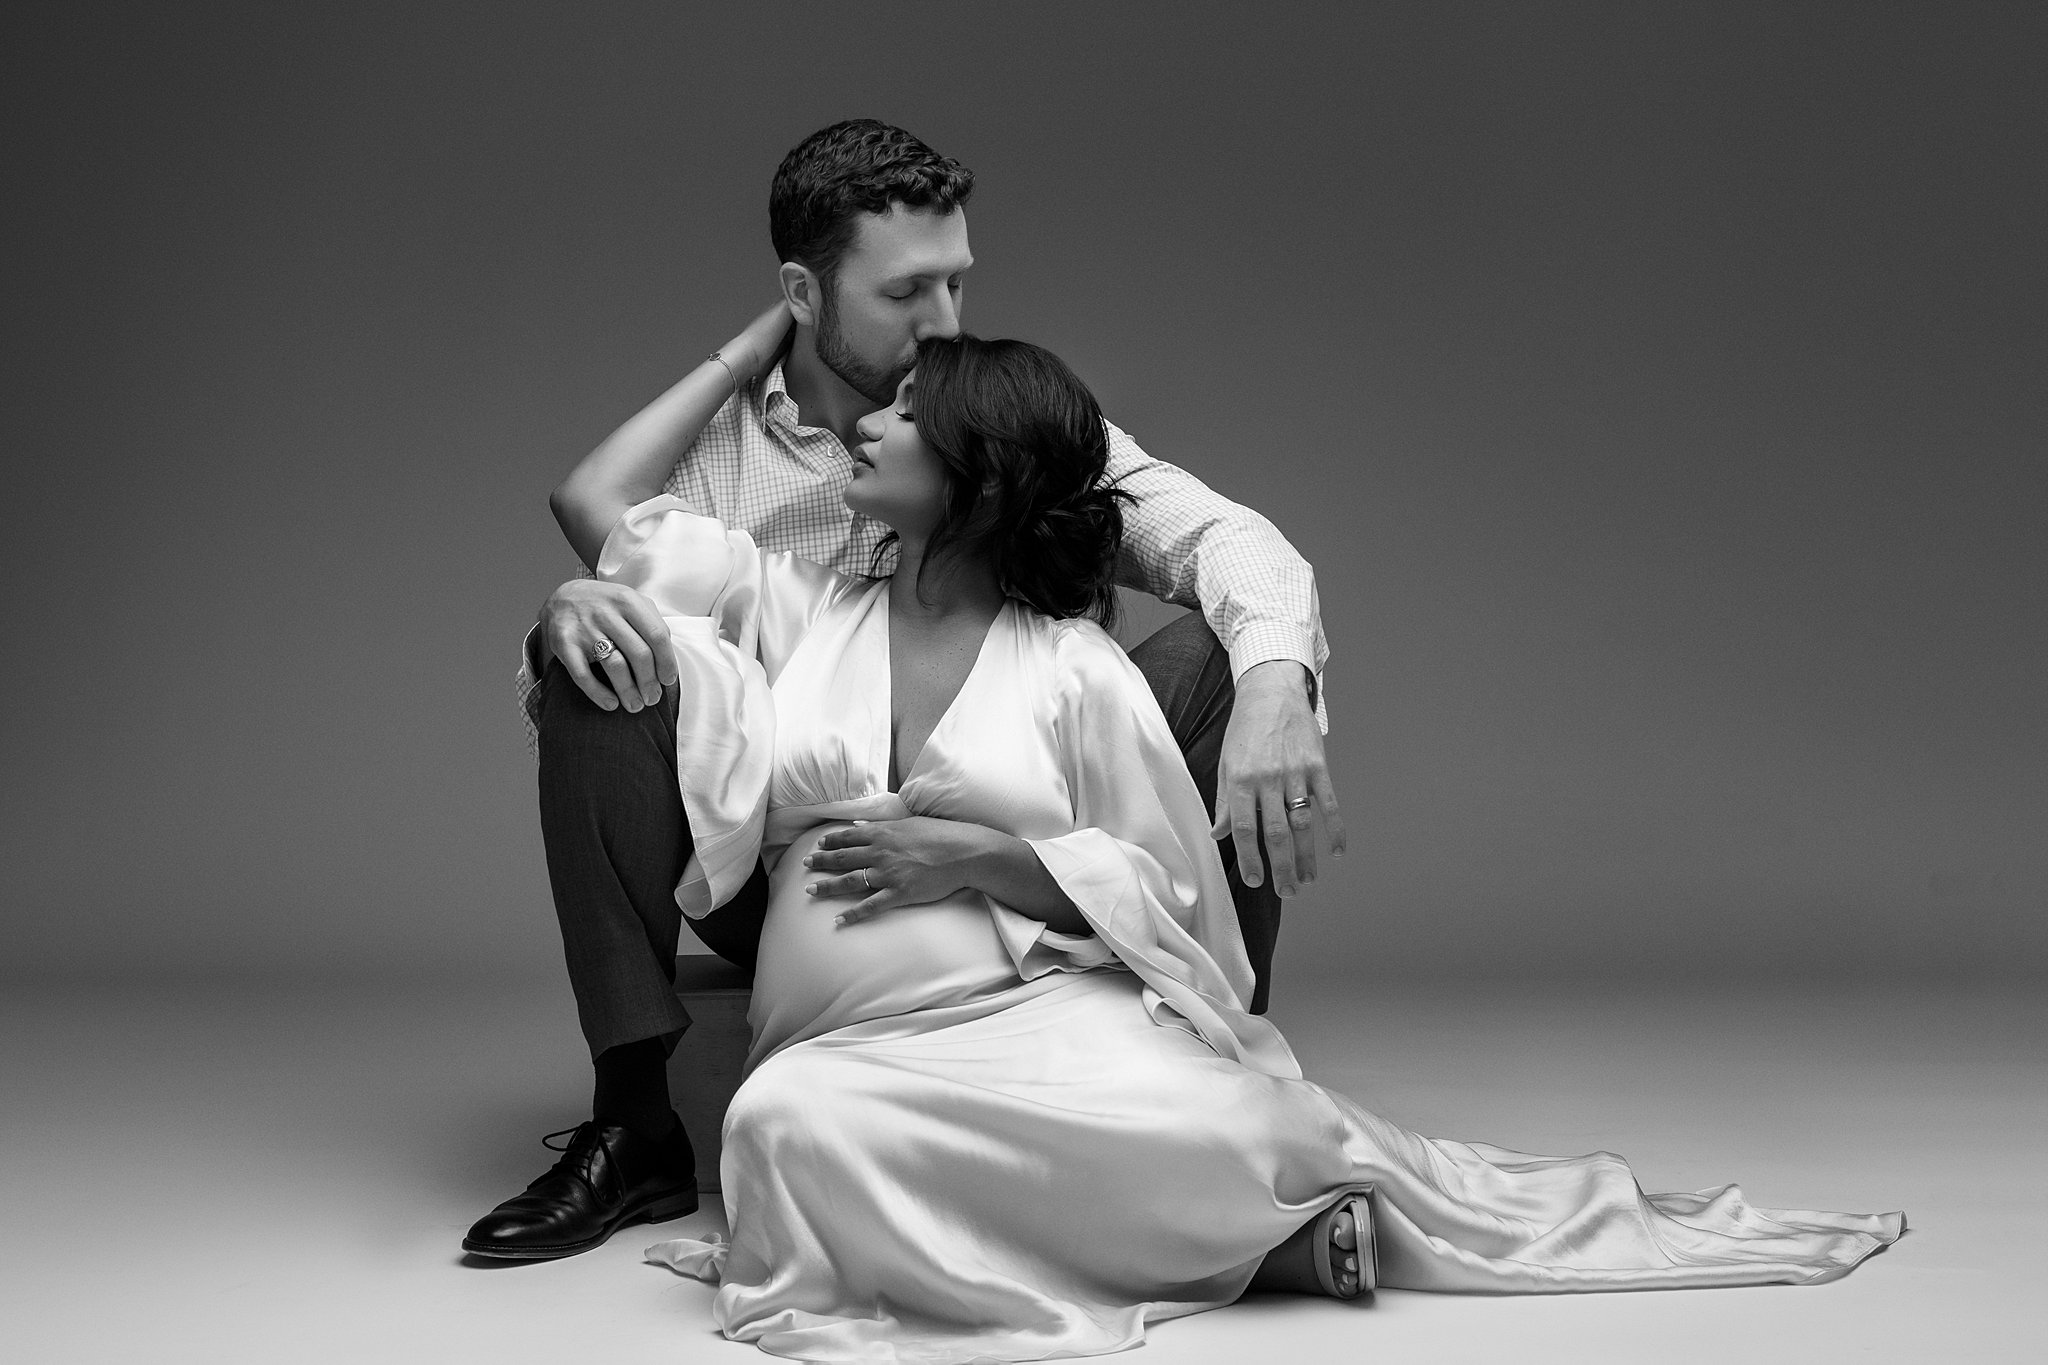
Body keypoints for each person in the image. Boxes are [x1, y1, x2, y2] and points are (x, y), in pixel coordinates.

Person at [571, 332, 1900, 1361]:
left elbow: (1171, 901)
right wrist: (762, 341)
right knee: (786, 1123)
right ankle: (1238, 1245)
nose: (862, 419)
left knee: (1240, 1112)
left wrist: (980, 858)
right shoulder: (798, 613)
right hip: (849, 1044)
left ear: (972, 480)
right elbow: (601, 500)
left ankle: (1253, 1218)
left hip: (1025, 1010)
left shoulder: (1078, 670)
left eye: (903, 414)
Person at [465, 119, 1340, 1260]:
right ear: (803, 292)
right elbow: (603, 514)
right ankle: (633, 1122)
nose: (943, 321)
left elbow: (1230, 543)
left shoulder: (1001, 421)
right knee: (588, 660)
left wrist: (1277, 687)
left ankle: (1200, 1057)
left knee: (1243, 649)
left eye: (956, 283)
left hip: (1032, 792)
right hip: (790, 837)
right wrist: (566, 613)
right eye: (904, 292)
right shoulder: (727, 471)